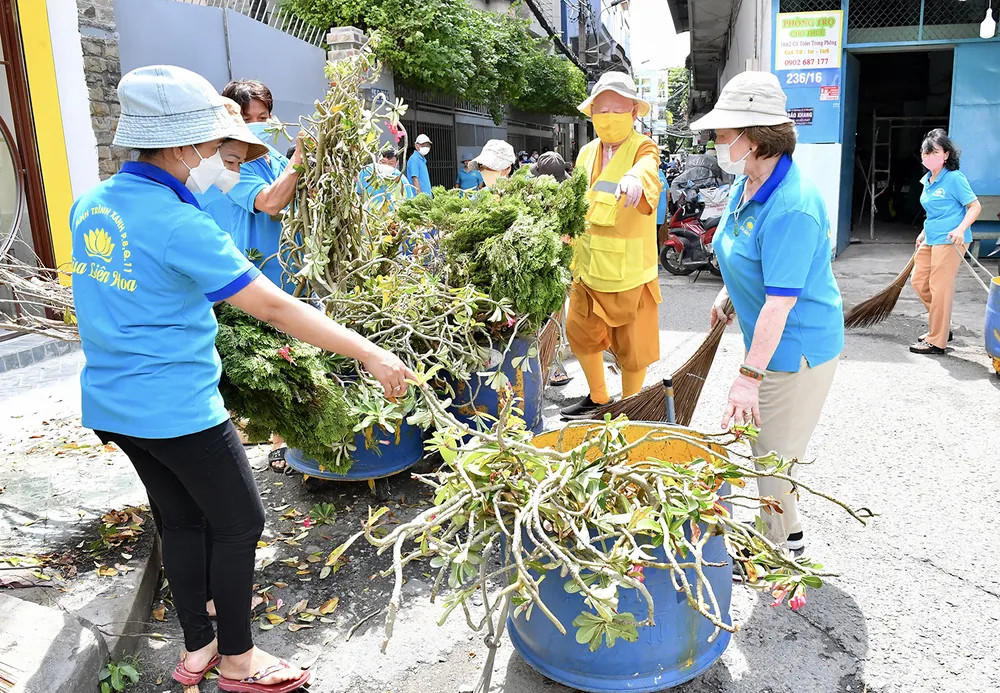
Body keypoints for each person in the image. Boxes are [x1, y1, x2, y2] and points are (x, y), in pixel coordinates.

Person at [71, 65, 414, 691]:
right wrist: (370, 352)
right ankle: (238, 662)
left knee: (179, 521)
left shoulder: (91, 203)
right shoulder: (181, 224)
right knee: (240, 523)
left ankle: (198, 648)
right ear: (179, 145)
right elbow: (276, 307)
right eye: (210, 145)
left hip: (113, 403)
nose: (218, 156)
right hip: (176, 406)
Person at [691, 71, 843, 557]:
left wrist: (748, 377)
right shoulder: (747, 183)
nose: (716, 141)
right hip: (769, 338)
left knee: (773, 457)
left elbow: (780, 302)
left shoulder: (793, 206)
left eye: (722, 132)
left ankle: (784, 542)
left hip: (795, 348)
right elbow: (745, 253)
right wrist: (729, 295)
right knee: (762, 449)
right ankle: (774, 530)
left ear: (752, 139)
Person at [559, 71, 662, 420]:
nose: (609, 117)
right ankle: (600, 397)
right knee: (580, 333)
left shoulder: (642, 148)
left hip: (629, 272)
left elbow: (649, 167)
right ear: (591, 115)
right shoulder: (585, 153)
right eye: (602, 110)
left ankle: (629, 406)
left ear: (634, 112)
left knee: (633, 347)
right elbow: (577, 202)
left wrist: (635, 178)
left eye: (617, 109)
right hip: (587, 268)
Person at [219, 79, 301, 294]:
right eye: (247, 120)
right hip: (260, 280)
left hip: (297, 277)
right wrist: (300, 156)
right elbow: (271, 203)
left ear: (272, 119)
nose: (256, 124)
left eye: (262, 118)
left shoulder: (278, 160)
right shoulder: (232, 165)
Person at [910, 128, 982, 355]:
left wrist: (961, 229)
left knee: (939, 288)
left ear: (946, 154)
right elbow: (934, 212)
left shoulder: (954, 178)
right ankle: (942, 326)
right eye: (925, 152)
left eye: (934, 152)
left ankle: (937, 340)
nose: (928, 156)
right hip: (931, 238)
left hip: (951, 240)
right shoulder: (928, 180)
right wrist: (923, 232)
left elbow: (974, 206)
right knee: (919, 282)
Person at [528, 152, 574, 387]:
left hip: (553, 268)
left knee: (550, 320)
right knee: (545, 320)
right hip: (540, 268)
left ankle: (550, 367)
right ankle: (548, 368)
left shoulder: (558, 199)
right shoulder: (532, 197)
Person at [359, 146, 414, 211]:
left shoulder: (401, 179)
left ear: (396, 164)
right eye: (383, 162)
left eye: (391, 163)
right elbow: (358, 193)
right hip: (369, 215)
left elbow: (409, 202)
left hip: (392, 218)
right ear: (377, 160)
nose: (386, 166)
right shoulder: (367, 171)